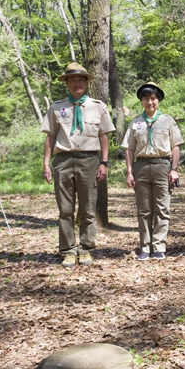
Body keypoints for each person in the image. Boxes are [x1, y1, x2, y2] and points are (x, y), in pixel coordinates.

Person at [41, 62, 115, 268]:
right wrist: (46, 164)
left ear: (86, 82)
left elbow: (103, 136)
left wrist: (104, 162)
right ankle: (68, 250)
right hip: (63, 161)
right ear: (66, 83)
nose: (76, 83)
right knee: (65, 209)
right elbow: (50, 137)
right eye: (71, 80)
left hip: (89, 161)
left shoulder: (97, 106)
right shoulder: (57, 107)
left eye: (80, 79)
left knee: (88, 208)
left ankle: (86, 248)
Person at [122, 82, 184, 261]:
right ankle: (145, 247)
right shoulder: (136, 123)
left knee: (162, 208)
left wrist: (174, 169)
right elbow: (129, 149)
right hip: (141, 166)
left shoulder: (167, 120)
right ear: (141, 101)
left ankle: (158, 246)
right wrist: (129, 171)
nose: (150, 102)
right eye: (146, 99)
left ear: (158, 100)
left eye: (153, 98)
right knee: (144, 209)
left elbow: (176, 146)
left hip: (162, 166)